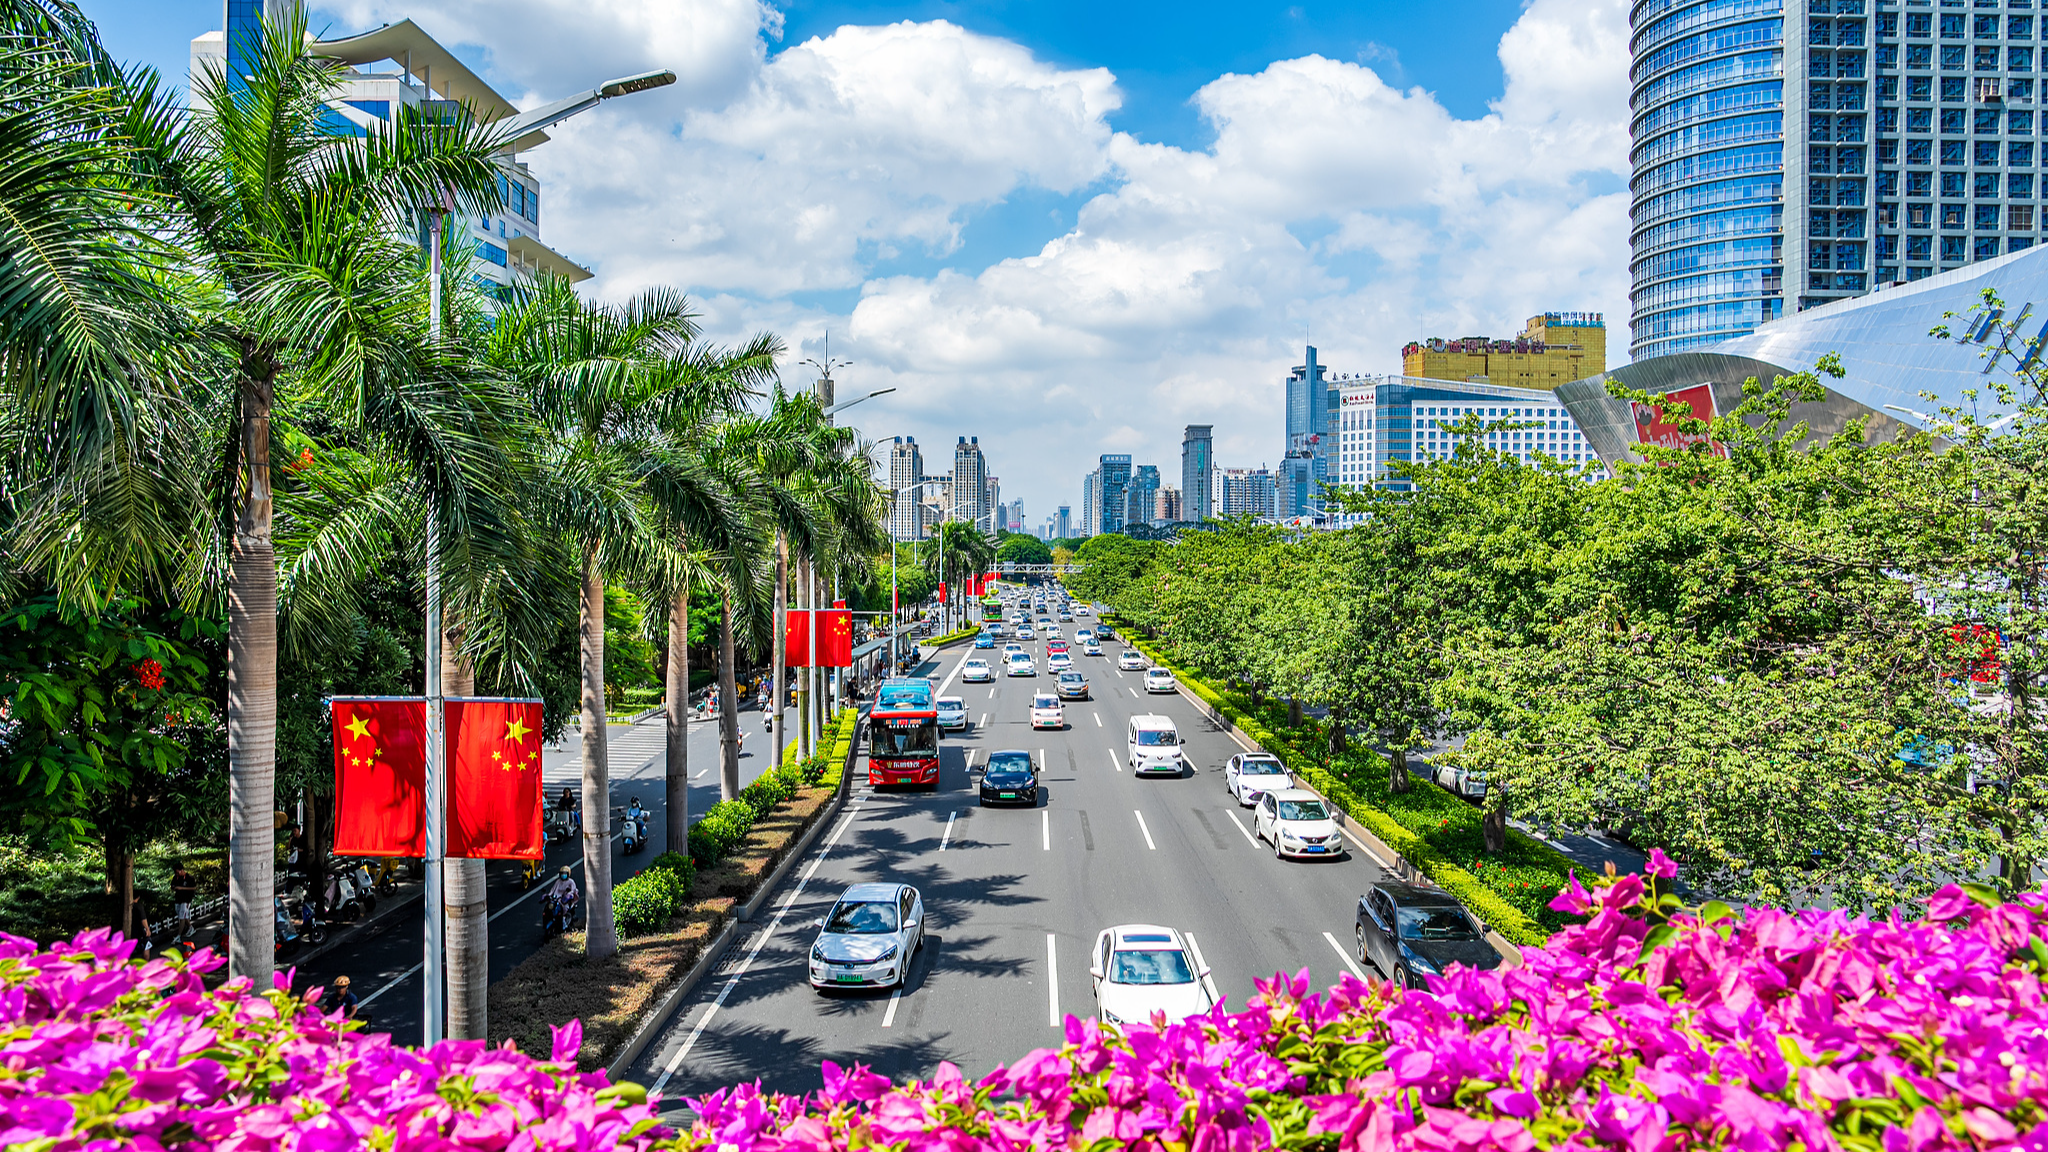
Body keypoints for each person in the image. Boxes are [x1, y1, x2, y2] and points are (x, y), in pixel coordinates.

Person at [171, 865, 198, 937]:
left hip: (186, 899)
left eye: (178, 872)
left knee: (182, 916)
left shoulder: (189, 878)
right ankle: (190, 927)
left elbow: (194, 887)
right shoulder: (175, 878)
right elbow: (172, 886)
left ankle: (178, 935)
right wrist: (174, 888)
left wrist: (182, 888)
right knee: (181, 915)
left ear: (182, 870)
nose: (177, 874)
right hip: (178, 899)